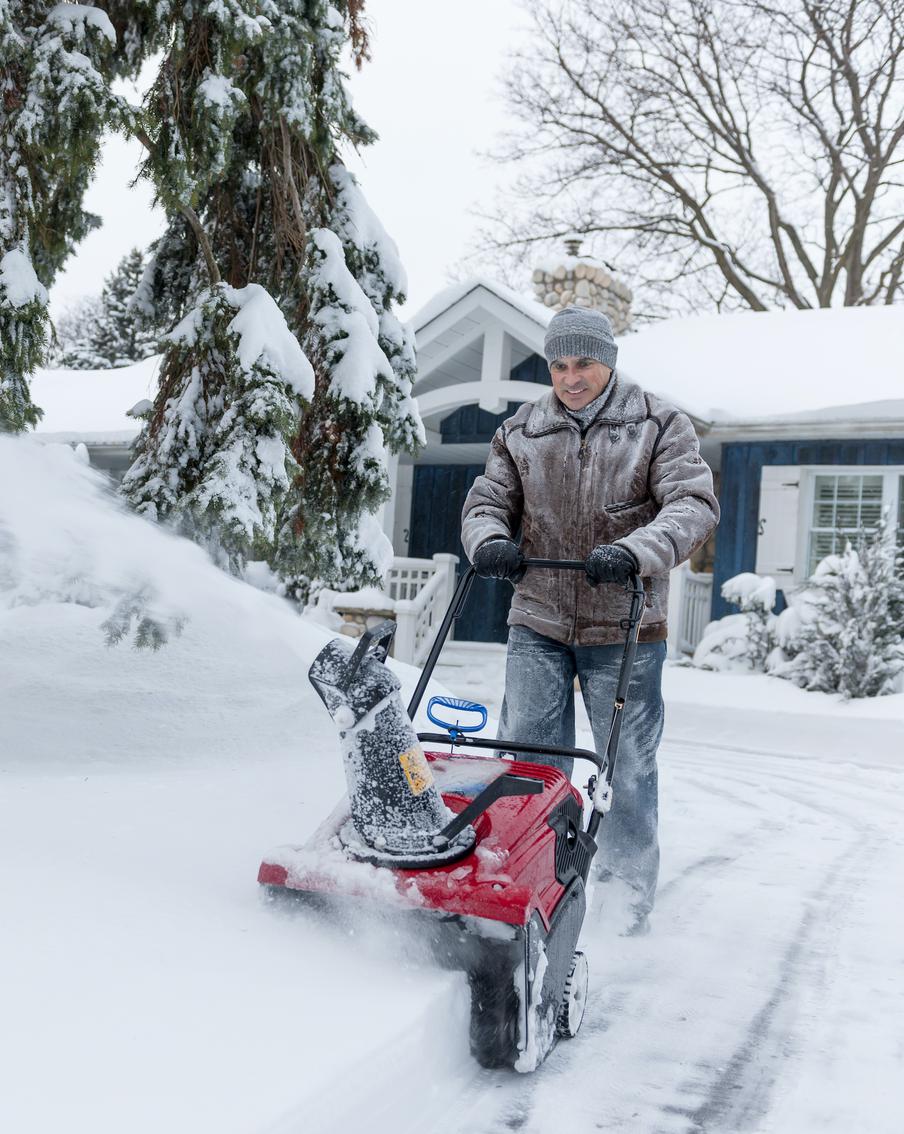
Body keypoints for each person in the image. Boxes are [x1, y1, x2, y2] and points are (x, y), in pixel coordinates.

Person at [460, 306, 719, 932]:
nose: (570, 377)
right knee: (530, 761)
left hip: (626, 625)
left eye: (584, 363)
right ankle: (527, 883)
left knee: (625, 764)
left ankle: (625, 904)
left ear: (609, 360)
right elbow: (486, 502)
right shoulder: (520, 430)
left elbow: (693, 504)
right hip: (539, 619)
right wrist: (488, 540)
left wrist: (634, 552)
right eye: (559, 364)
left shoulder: (659, 424)